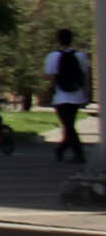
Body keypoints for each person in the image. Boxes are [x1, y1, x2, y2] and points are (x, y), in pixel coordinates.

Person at [43, 29, 90, 164]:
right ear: (71, 39)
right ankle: (64, 150)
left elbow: (48, 75)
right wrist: (85, 91)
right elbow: (84, 74)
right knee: (69, 125)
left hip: (61, 97)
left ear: (58, 40)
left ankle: (75, 153)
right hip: (76, 95)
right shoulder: (80, 56)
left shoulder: (53, 56)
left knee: (68, 126)